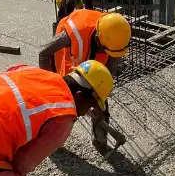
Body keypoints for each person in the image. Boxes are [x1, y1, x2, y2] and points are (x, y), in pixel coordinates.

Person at [39, 8, 130, 154]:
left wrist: (98, 99)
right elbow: (44, 53)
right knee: (62, 100)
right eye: (104, 51)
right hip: (68, 53)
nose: (109, 56)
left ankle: (100, 141)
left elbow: (108, 72)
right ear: (98, 39)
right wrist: (48, 85)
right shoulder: (74, 34)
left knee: (101, 105)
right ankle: (50, 140)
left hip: (90, 63)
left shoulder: (115, 40)